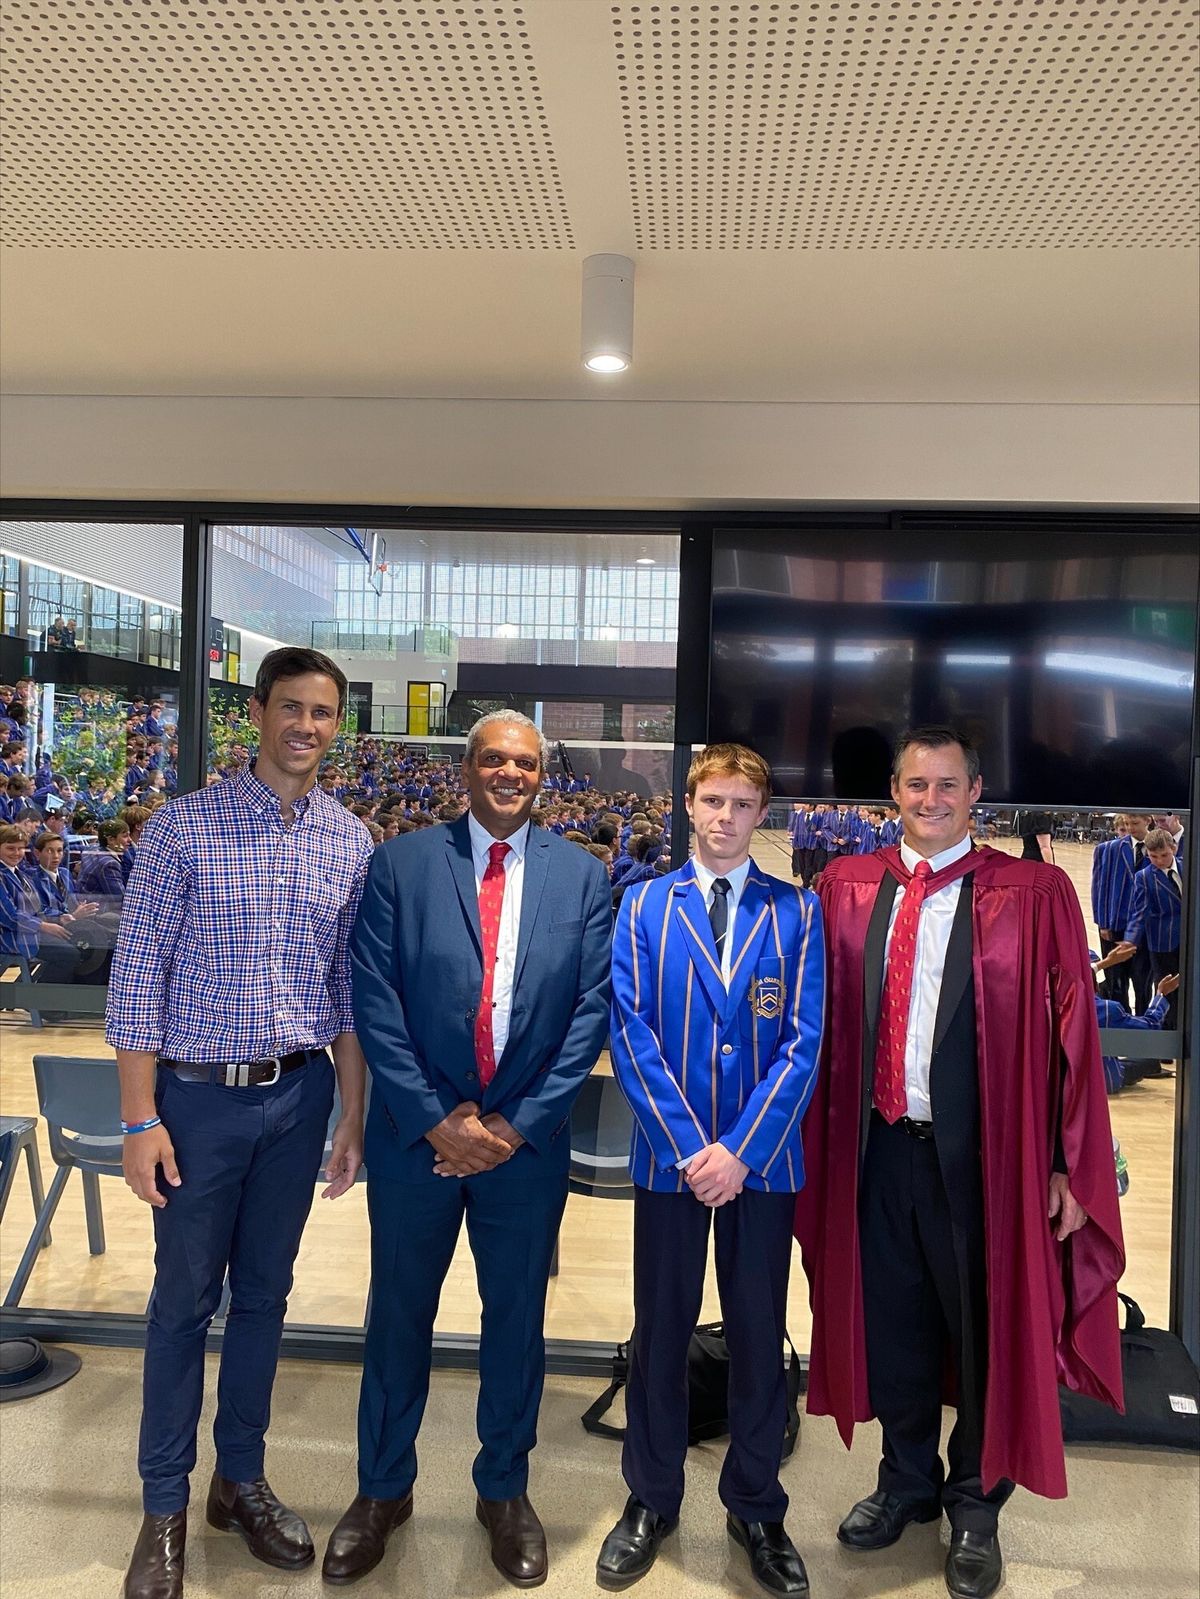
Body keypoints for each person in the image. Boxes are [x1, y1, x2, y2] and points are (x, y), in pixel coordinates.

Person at [796, 728, 1123, 1599]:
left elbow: (1073, 1037)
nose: (931, 799)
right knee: (892, 1323)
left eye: (948, 784)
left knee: (983, 1328)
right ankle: (906, 1479)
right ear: (893, 791)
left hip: (987, 1162)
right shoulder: (847, 886)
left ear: (976, 791)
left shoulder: (1034, 893)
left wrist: (1067, 1164)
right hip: (875, 1149)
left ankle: (976, 1501)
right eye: (916, 784)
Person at [107, 647, 375, 1599]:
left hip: (299, 1098)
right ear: (256, 713)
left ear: (336, 725)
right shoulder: (183, 827)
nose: (307, 726)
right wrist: (138, 1119)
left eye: (323, 712)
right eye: (291, 707)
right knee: (182, 1303)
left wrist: (352, 1110)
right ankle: (163, 1507)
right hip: (197, 1102)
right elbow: (137, 978)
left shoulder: (350, 840)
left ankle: (241, 1480)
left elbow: (345, 989)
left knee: (264, 1298)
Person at [323, 710, 611, 1589]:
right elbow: (374, 997)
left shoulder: (582, 876)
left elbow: (589, 1012)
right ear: (467, 770)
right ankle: (382, 1487)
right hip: (415, 1141)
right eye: (493, 759)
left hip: (526, 1147)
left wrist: (513, 1127)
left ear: (542, 774)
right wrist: (435, 1119)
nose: (509, 773)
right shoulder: (402, 863)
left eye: (524, 762)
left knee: (515, 1323)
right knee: (397, 1316)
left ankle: (504, 1489)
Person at [597, 744, 824, 1596]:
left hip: (762, 1163)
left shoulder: (795, 911)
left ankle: (756, 1504)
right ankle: (650, 1496)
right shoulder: (643, 906)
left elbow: (803, 1042)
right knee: (660, 1329)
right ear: (689, 806)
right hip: (673, 1159)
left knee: (760, 1333)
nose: (726, 817)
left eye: (743, 803)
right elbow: (631, 1032)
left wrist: (743, 1151)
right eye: (713, 801)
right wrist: (695, 1148)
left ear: (762, 814)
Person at [0, 823, 84, 999]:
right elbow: (9, 917)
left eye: (20, 849)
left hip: (29, 933)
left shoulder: (19, 874)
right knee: (69, 955)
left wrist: (60, 918)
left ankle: (60, 1000)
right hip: (10, 938)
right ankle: (42, 1002)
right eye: (10, 848)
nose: (16, 853)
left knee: (82, 945)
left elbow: (37, 910)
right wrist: (44, 926)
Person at [1119, 827, 1183, 1040]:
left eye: (1164, 855)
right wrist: (1130, 940)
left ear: (1174, 848)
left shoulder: (1188, 867)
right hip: (1163, 942)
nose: (1159, 861)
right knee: (1167, 993)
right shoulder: (1144, 877)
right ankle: (1167, 1039)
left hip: (1189, 940)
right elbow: (1139, 913)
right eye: (1153, 857)